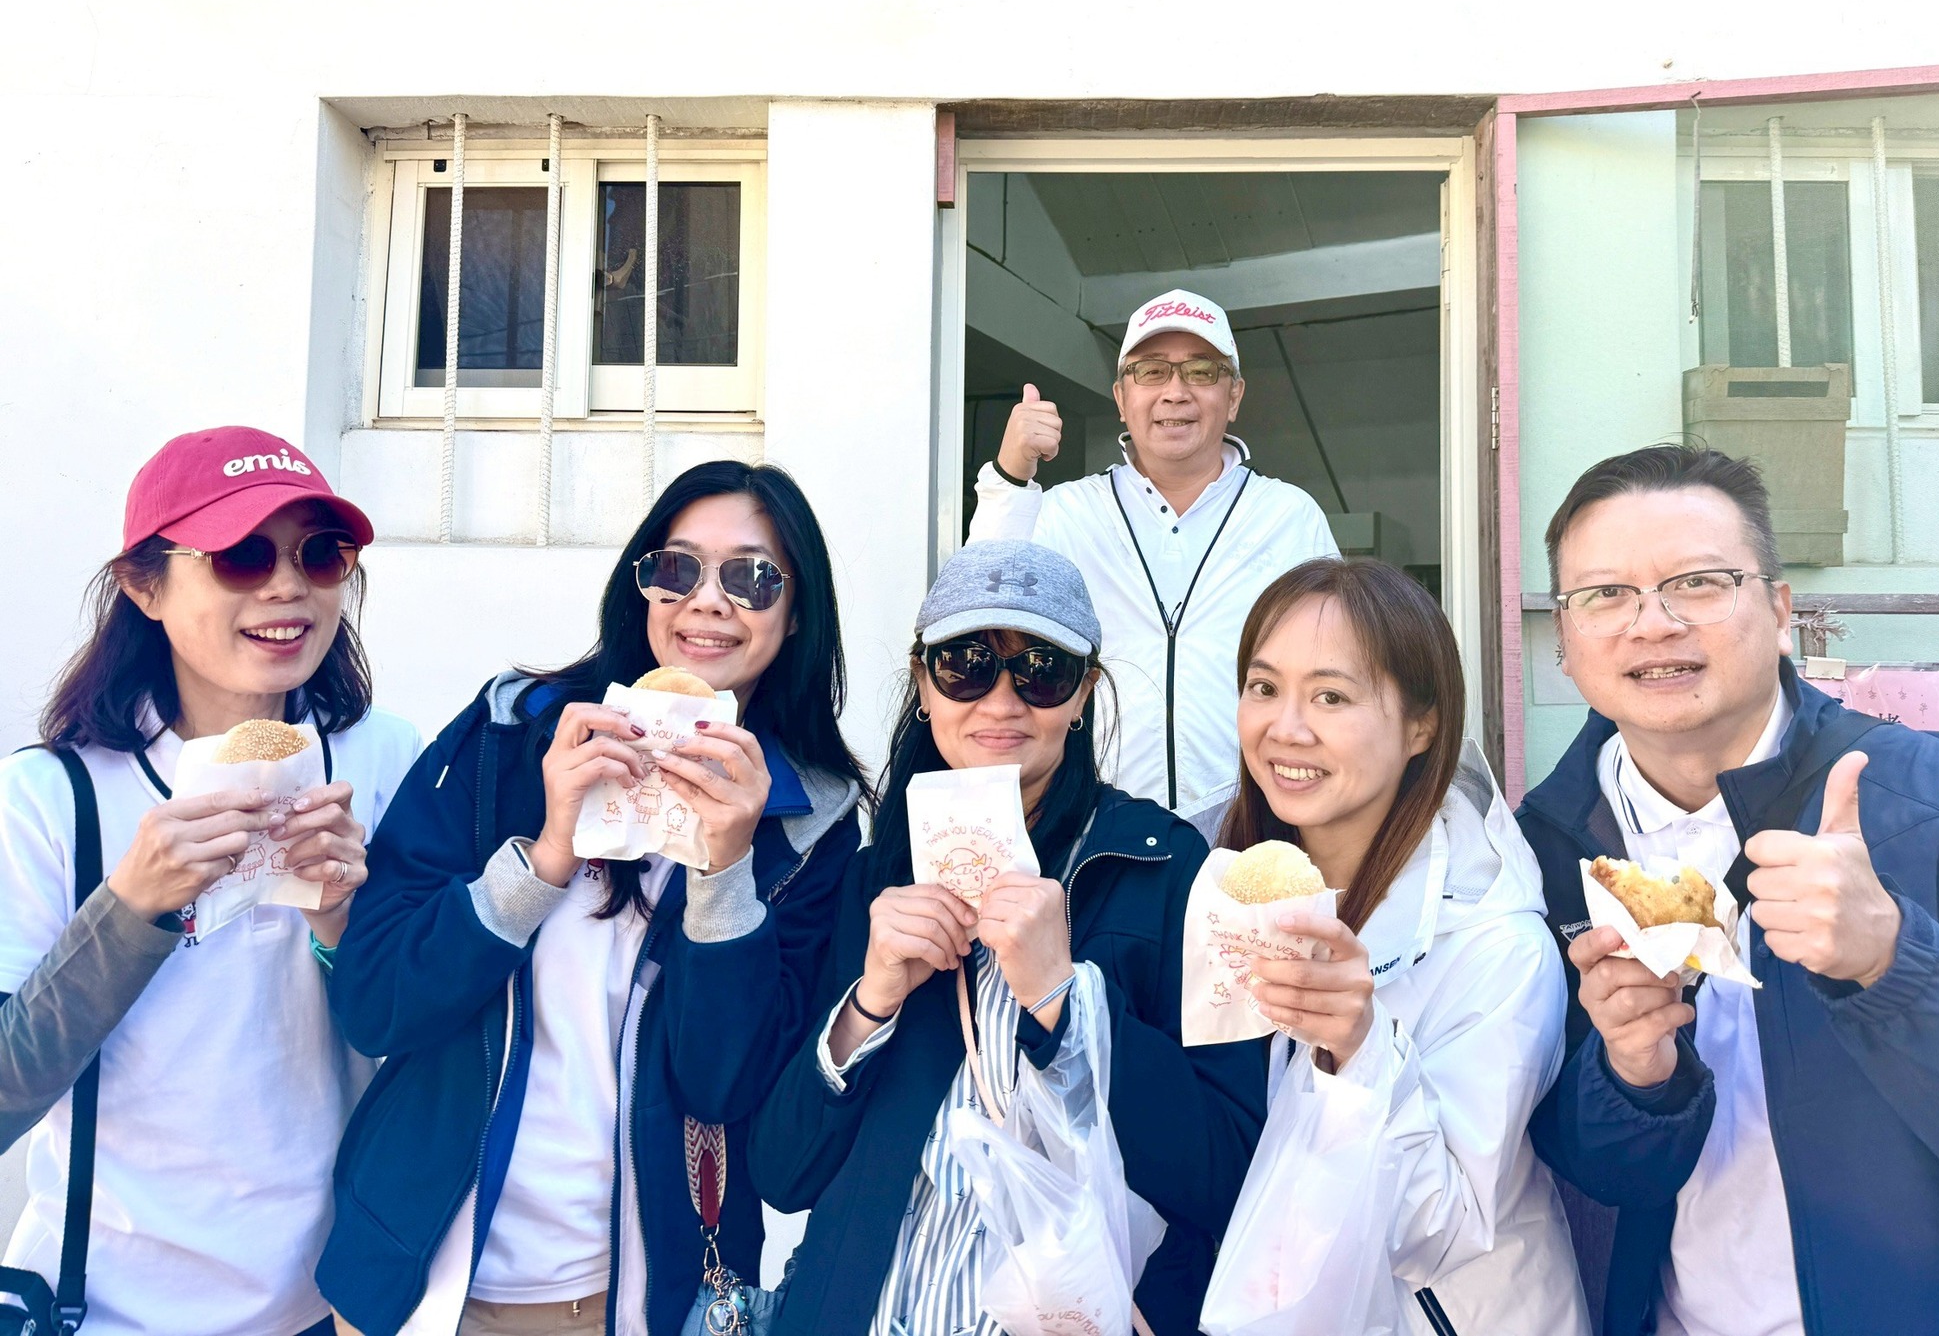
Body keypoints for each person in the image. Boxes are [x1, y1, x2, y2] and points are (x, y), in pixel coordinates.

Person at [319, 461, 868, 1336]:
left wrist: (724, 868)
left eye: (753, 576)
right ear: (641, 586)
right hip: (415, 1283)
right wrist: (544, 857)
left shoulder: (809, 820)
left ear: (796, 611)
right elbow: (374, 1000)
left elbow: (726, 1088)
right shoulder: (511, 733)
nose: (708, 600)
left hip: (630, 1299)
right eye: (677, 568)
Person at [1518, 443, 1939, 1336]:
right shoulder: (1546, 848)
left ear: (1780, 609)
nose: (1652, 623)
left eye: (1698, 582)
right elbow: (1600, 1176)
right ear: (1566, 642)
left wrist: (1896, 963)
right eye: (1605, 593)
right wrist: (1634, 1073)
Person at [748, 539, 1267, 1336]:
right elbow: (782, 1173)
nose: (1001, 701)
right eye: (966, 664)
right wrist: (870, 1002)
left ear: (1082, 693)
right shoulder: (874, 878)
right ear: (924, 684)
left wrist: (1066, 1000)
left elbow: (1228, 1170)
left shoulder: (1167, 868)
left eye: (1041, 671)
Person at [0, 427, 420, 1336]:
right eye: (239, 555)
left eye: (319, 553)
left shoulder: (385, 757)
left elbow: (418, 1029)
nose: (287, 586)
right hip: (105, 1303)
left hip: (324, 1304)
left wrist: (343, 923)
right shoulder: (51, 794)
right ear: (143, 584)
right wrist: (131, 906)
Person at [1218, 557, 1588, 1335]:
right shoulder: (1224, 884)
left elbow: (1438, 1229)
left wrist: (1359, 1048)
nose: (1286, 726)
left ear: (1423, 724)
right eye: (1264, 686)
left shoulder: (1496, 941)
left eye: (1331, 695)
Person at [969, 288, 1337, 836]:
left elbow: (1337, 666)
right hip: (1092, 825)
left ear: (1234, 395)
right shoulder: (1068, 512)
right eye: (1151, 371)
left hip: (1253, 823)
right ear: (1122, 397)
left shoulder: (1288, 516)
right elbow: (979, 608)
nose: (1175, 392)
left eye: (1202, 371)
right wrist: (1010, 476)